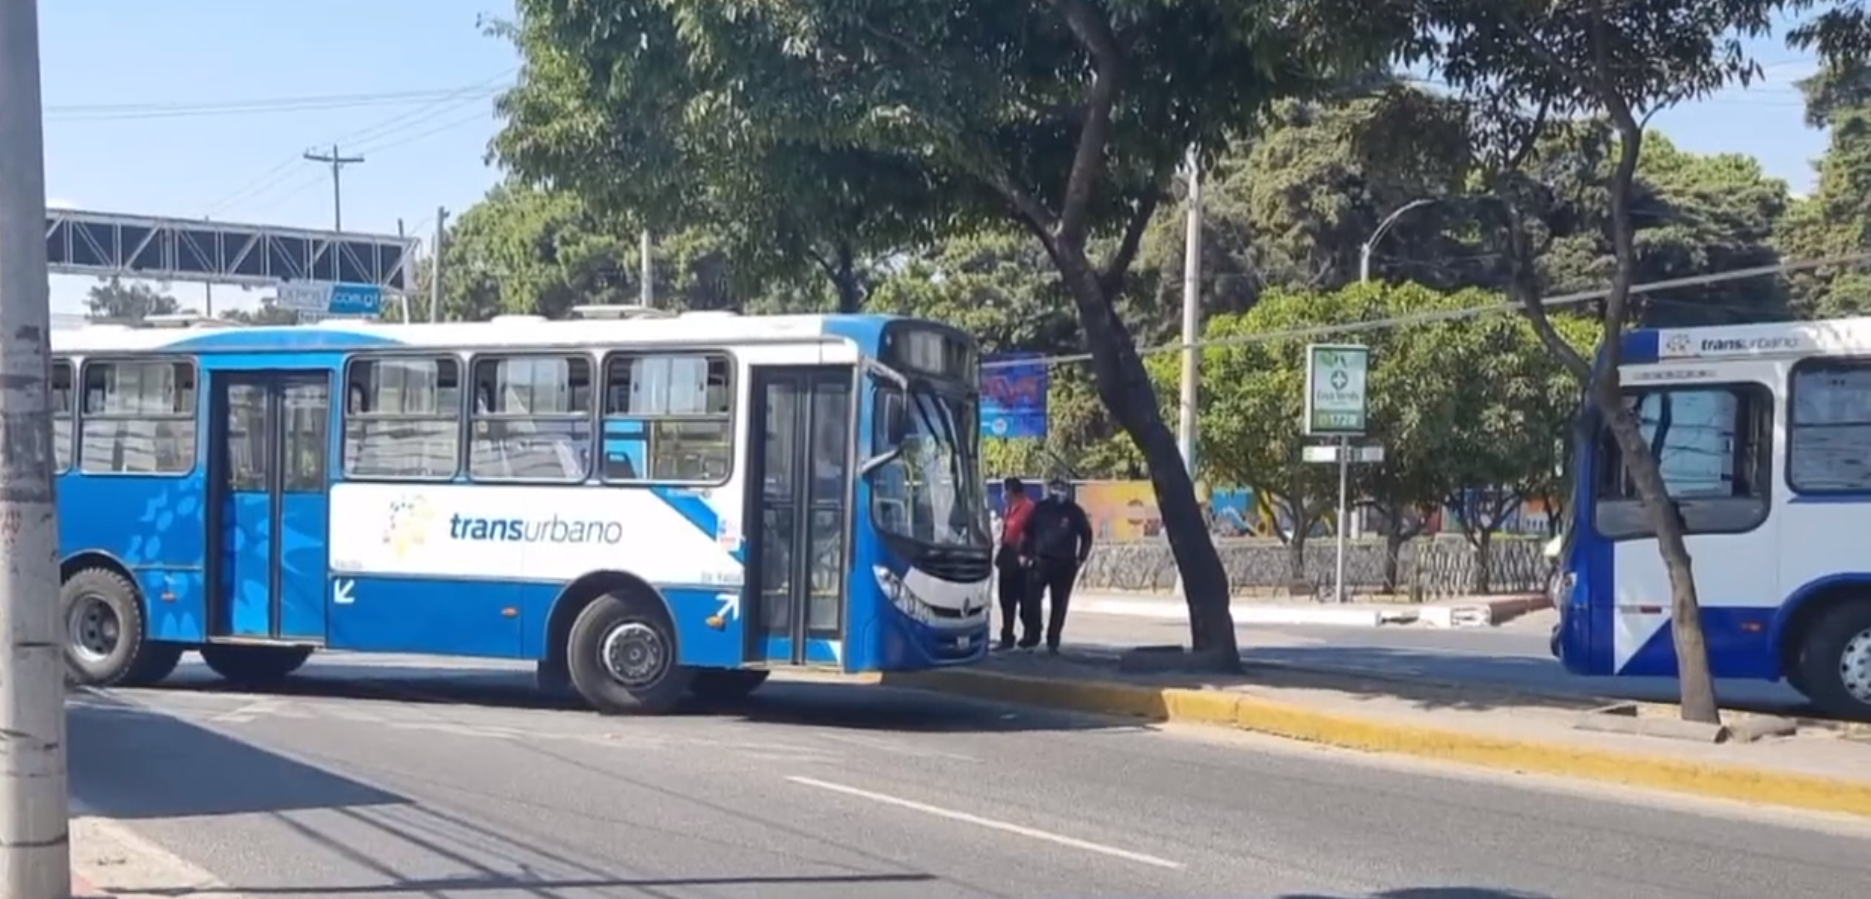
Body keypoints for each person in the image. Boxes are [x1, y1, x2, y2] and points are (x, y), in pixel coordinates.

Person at [1019, 476, 1093, 653]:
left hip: (1065, 564)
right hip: (1040, 562)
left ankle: (1053, 639)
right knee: (1031, 600)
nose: (1057, 491)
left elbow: (1086, 535)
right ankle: (1033, 634)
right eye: (1055, 487)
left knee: (1059, 604)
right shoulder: (1040, 509)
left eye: (1061, 488)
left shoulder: (1074, 511)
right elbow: (1027, 532)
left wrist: (1080, 558)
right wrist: (1024, 553)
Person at [994, 477, 1038, 651]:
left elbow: (1032, 534)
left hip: (1021, 559)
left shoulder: (1028, 508)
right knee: (1006, 599)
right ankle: (1007, 636)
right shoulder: (1009, 509)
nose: (1004, 494)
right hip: (1008, 556)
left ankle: (1030, 635)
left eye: (1006, 490)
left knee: (1025, 600)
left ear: (1013, 491)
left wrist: (1026, 554)